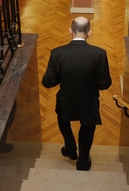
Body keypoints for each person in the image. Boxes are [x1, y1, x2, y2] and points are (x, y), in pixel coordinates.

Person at [42, 17, 112, 171]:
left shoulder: (57, 53)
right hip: (89, 100)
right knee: (88, 127)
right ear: (89, 32)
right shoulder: (99, 54)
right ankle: (83, 161)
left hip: (66, 99)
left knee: (63, 119)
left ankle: (70, 148)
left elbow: (47, 82)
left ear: (70, 31)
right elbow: (105, 84)